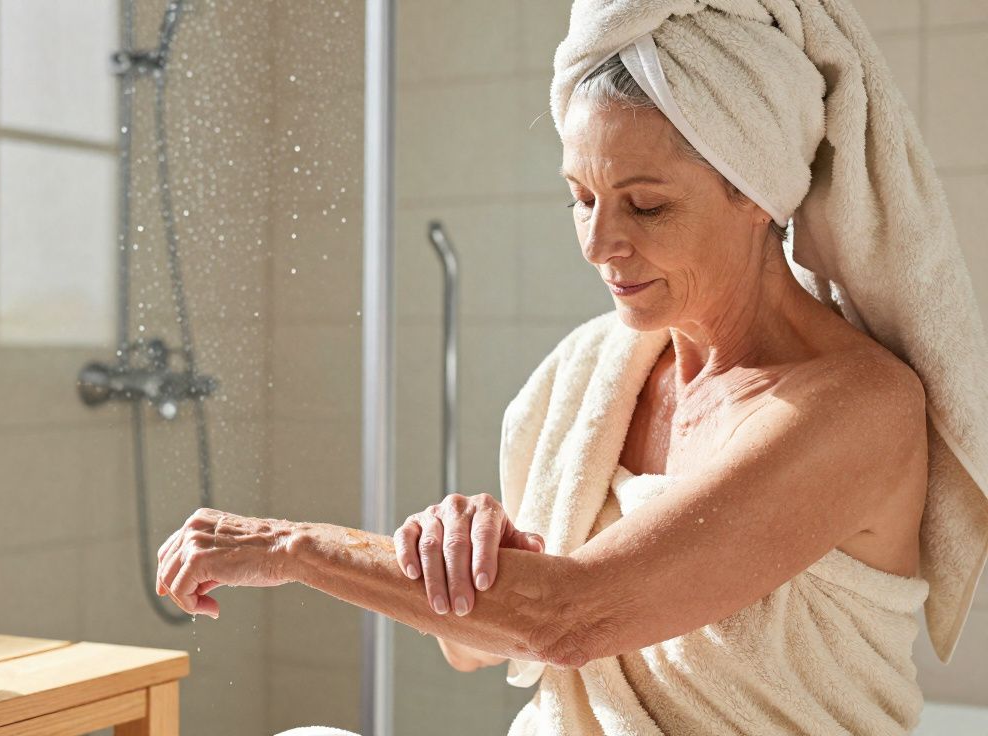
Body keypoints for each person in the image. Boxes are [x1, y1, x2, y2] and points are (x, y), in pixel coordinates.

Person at [157, 1, 988, 732]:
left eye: (646, 204)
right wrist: (456, 550)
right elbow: (468, 641)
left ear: (758, 192)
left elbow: (567, 619)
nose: (599, 245)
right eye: (580, 198)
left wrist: (296, 549)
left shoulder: (856, 407)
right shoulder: (594, 372)